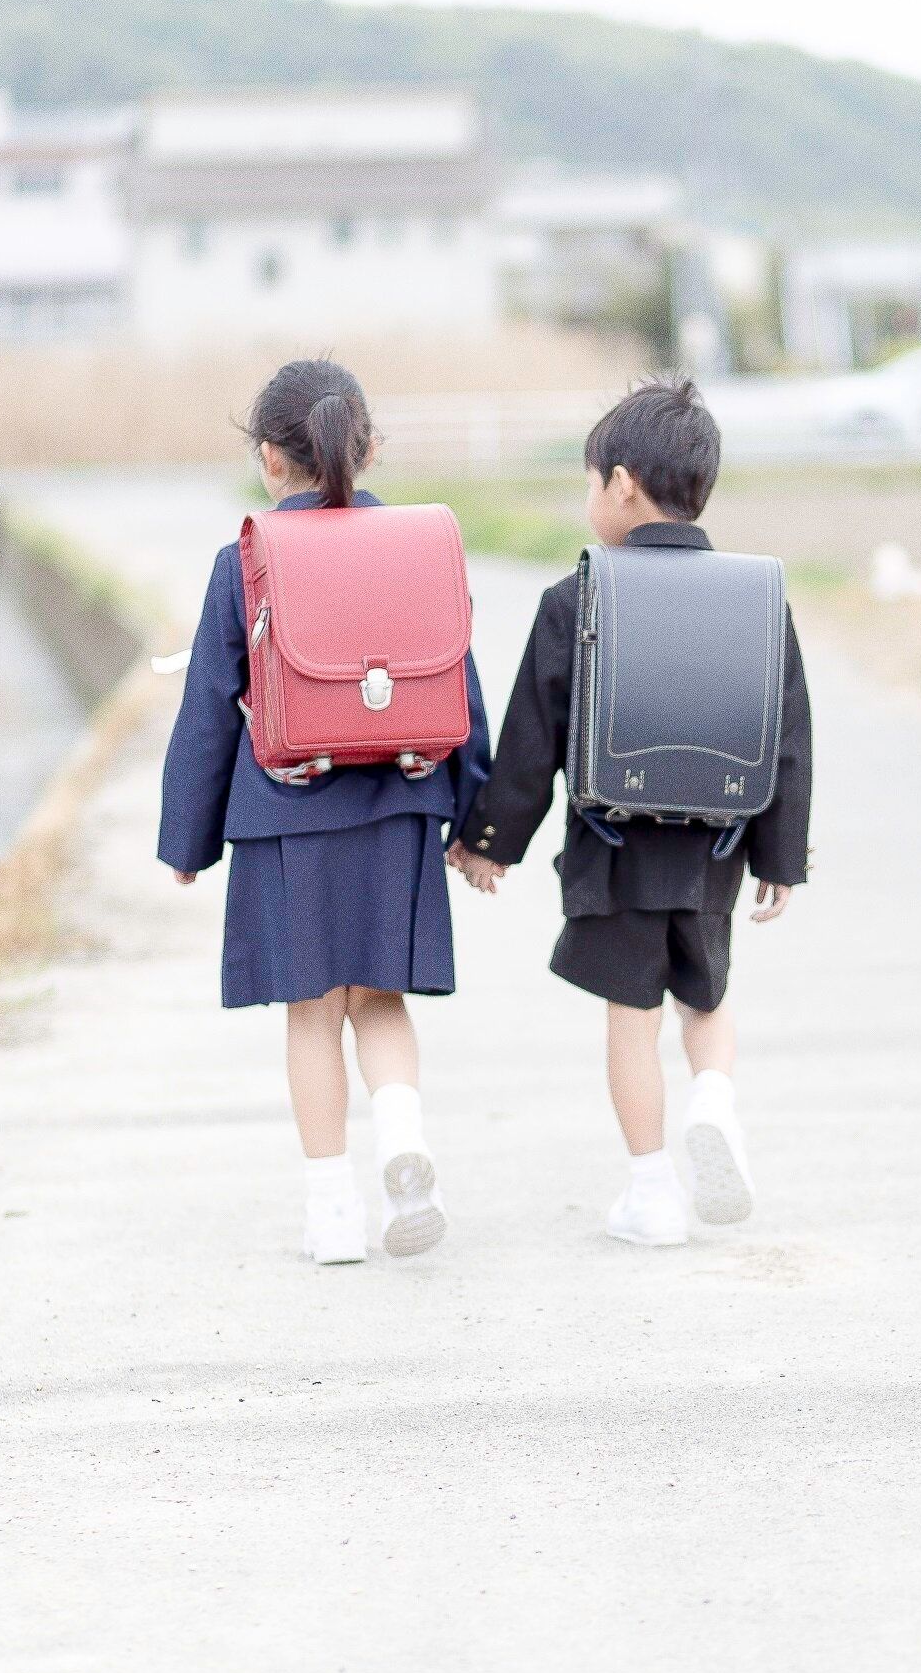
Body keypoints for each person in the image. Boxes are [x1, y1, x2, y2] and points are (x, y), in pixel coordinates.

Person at [449, 379, 813, 1245]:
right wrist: (780, 856)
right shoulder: (757, 597)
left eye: (589, 482)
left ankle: (652, 1192)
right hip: (717, 846)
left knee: (631, 1019)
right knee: (707, 999)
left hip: (614, 853)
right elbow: (787, 733)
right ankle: (713, 1099)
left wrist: (489, 840)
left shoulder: (577, 599)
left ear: (620, 484)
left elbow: (532, 741)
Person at [159, 360, 490, 1265]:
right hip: (402, 803)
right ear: (369, 446)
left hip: (287, 813)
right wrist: (476, 823)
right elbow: (459, 685)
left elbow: (208, 708)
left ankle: (334, 1211)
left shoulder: (246, 558)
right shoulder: (419, 544)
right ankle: (404, 1137)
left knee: (312, 1012)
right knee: (380, 999)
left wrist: (187, 839)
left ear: (270, 458)